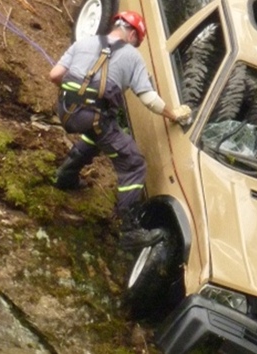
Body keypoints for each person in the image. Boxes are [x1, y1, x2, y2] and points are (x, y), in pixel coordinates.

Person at [49, 11, 191, 250]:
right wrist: (173, 114)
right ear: (134, 34)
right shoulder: (132, 57)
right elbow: (149, 100)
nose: (136, 45)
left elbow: (54, 75)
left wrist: (78, 96)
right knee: (134, 164)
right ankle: (128, 230)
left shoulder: (85, 41)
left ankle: (65, 176)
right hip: (93, 118)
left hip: (64, 111)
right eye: (137, 41)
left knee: (101, 133)